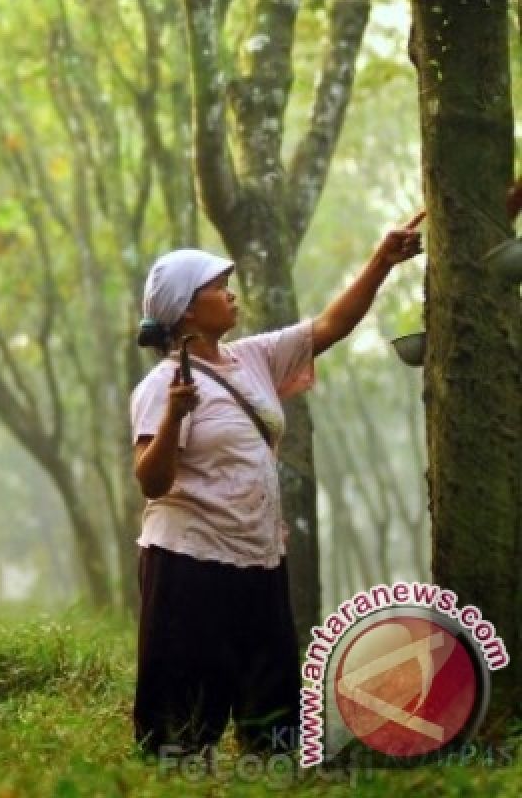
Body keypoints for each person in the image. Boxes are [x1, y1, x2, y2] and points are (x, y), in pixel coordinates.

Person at [128, 226, 422, 759]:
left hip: (258, 561)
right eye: (218, 286)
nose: (231, 293)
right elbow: (151, 480)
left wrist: (382, 259)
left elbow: (330, 326)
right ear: (188, 311)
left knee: (274, 720)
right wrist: (174, 416)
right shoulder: (159, 387)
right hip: (188, 567)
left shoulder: (254, 359)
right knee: (181, 729)